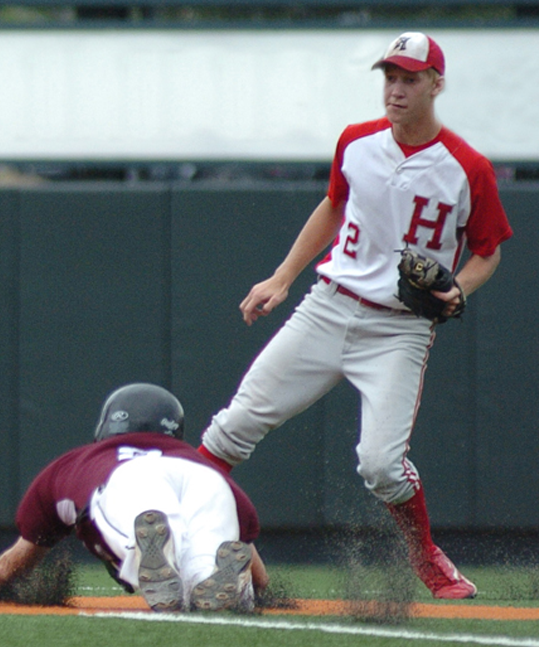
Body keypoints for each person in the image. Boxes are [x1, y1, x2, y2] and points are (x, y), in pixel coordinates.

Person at [196, 32, 510, 600]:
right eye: (389, 76)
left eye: (410, 78)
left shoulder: (469, 168)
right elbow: (334, 204)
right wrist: (283, 277)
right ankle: (184, 530)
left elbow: (487, 250)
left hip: (399, 328)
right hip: (328, 307)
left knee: (382, 466)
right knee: (232, 427)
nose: (396, 88)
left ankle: (428, 556)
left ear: (437, 84)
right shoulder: (357, 141)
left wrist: (458, 290)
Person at [0, 384, 268, 612]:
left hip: (126, 480)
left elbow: (20, 555)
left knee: (140, 529)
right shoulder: (198, 461)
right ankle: (217, 582)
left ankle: (147, 555)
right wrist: (257, 586)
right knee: (205, 559)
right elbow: (256, 567)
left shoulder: (75, 462)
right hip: (207, 483)